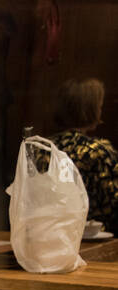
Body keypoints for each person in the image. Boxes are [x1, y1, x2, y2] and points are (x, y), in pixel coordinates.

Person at [51, 78, 118, 232]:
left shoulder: (41, 147)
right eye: (100, 107)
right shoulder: (96, 150)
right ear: (91, 110)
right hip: (91, 236)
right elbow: (113, 202)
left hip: (47, 236)